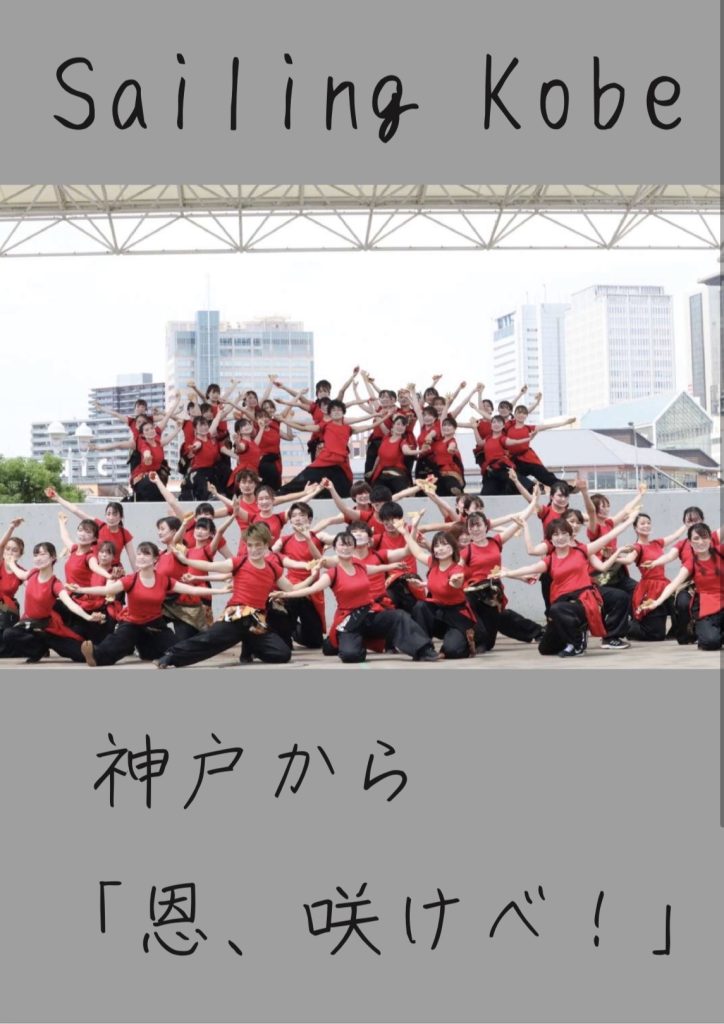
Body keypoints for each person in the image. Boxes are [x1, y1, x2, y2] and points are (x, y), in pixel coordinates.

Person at [269, 530, 440, 664]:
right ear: (335, 548)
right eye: (341, 545)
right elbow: (312, 589)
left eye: (349, 544)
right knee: (350, 655)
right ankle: (351, 642)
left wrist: (391, 566)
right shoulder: (333, 573)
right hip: (349, 619)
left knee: (399, 616)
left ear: (353, 547)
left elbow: (373, 569)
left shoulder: (359, 565)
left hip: (369, 614)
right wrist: (286, 594)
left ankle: (424, 651)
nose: (345, 548)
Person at [155, 523, 305, 668]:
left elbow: (291, 588)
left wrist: (313, 577)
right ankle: (171, 656)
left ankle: (250, 643)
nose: (254, 549)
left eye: (258, 545)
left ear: (266, 545)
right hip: (236, 616)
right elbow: (210, 566)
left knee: (282, 654)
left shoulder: (273, 568)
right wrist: (186, 560)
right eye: (250, 545)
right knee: (208, 640)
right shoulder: (239, 562)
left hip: (256, 623)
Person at [68, 542, 230, 666]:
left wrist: (221, 591)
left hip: (154, 625)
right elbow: (106, 590)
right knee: (116, 643)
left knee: (176, 648)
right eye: (139, 554)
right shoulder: (131, 579)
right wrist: (80, 588)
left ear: (155, 559)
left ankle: (150, 653)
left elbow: (192, 590)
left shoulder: (164, 580)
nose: (141, 557)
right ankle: (95, 656)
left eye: (146, 554)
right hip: (132, 622)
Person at [491, 518, 632, 657]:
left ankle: (577, 645)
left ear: (570, 536)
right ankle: (575, 633)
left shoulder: (582, 550)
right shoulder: (550, 560)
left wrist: (629, 520)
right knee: (545, 649)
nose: (560, 537)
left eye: (564, 533)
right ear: (551, 540)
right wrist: (507, 573)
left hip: (584, 600)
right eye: (556, 534)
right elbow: (530, 568)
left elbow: (609, 536)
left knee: (557, 609)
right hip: (563, 604)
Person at [1, 542, 106, 662]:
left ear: (52, 557)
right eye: (35, 555)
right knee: (9, 634)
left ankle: (101, 654)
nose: (38, 558)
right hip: (29, 623)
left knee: (79, 654)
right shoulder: (32, 573)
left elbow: (70, 604)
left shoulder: (55, 584)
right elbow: (20, 574)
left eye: (42, 554)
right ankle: (38, 650)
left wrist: (88, 617)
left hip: (48, 628)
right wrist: (11, 562)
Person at [401, 526, 485, 659]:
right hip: (438, 613)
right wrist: (405, 533)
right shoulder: (433, 563)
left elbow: (456, 582)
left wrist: (455, 582)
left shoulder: (457, 568)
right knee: (421, 607)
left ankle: (467, 641)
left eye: (444, 545)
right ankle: (424, 649)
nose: (440, 548)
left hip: (456, 615)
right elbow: (417, 552)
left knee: (452, 651)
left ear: (453, 547)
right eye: (437, 546)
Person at [640, 524, 723, 650]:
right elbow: (674, 584)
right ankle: (705, 632)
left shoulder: (720, 551)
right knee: (710, 643)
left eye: (704, 537)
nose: (701, 542)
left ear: (710, 538)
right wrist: (657, 602)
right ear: (690, 542)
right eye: (696, 538)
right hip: (708, 606)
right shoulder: (691, 562)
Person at [613, 513, 687, 641]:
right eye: (642, 523)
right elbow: (628, 560)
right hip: (650, 588)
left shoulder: (657, 543)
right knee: (656, 635)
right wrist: (612, 558)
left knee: (679, 609)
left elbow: (675, 536)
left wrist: (686, 524)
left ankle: (674, 632)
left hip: (664, 584)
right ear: (635, 528)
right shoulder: (637, 547)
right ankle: (629, 627)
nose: (646, 525)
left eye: (648, 523)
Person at [45, 490, 135, 573]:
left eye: (115, 514)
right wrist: (58, 498)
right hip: (94, 569)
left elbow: (132, 558)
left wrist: (138, 578)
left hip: (114, 571)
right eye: (108, 514)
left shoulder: (125, 534)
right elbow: (77, 511)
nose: (111, 518)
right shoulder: (99, 525)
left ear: (121, 517)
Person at [0, 517, 25, 635]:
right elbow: (1, 546)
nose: (10, 552)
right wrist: (11, 527)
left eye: (14, 550)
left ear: (20, 554)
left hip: (6, 608)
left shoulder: (21, 572)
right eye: (8, 549)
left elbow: (34, 586)